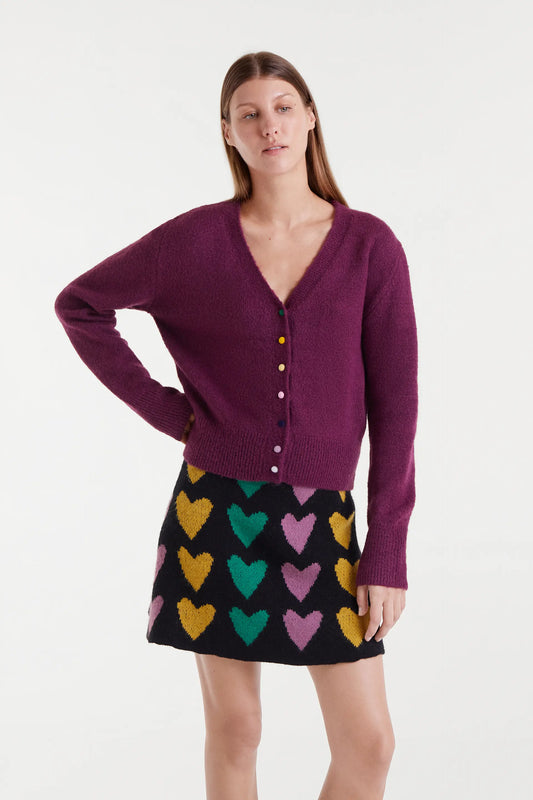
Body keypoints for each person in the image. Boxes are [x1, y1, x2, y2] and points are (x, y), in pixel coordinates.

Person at [54, 50, 418, 800]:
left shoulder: (368, 246)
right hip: (214, 513)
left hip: (323, 523)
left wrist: (386, 546)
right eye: (249, 114)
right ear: (228, 132)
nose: (268, 126)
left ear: (310, 117)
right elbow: (80, 305)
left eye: (282, 107)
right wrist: (173, 413)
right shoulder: (194, 241)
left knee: (369, 742)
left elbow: (397, 406)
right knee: (236, 729)